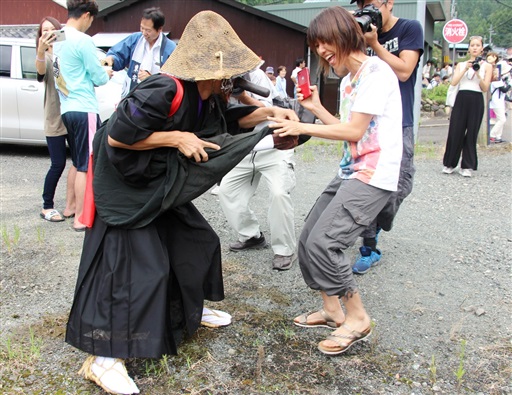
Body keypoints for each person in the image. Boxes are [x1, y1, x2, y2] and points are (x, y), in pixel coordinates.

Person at [65, 11, 299, 394]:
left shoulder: (207, 95)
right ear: (209, 69)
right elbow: (119, 137)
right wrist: (175, 139)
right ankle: (103, 359)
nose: (234, 83)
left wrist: (271, 113)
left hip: (156, 180)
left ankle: (188, 310)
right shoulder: (163, 88)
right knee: (141, 268)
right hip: (125, 185)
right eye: (230, 75)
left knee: (197, 240)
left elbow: (229, 120)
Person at [269, 6, 402, 356]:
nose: (322, 51)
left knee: (326, 243)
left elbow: (356, 130)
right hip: (351, 169)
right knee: (309, 237)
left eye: (325, 42)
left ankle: (357, 317)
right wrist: (313, 107)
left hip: (374, 175)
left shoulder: (377, 72)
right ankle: (331, 310)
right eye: (316, 46)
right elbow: (346, 129)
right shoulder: (348, 80)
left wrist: (300, 126)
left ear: (344, 34)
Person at [351, 0, 423, 274]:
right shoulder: (360, 31)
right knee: (367, 183)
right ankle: (369, 246)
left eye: (370, 4)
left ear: (389, 3)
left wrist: (375, 44)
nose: (366, 10)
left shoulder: (409, 28)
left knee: (401, 184)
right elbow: (345, 70)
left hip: (400, 120)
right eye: (361, 5)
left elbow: (405, 71)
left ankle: (376, 223)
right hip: (368, 120)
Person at [218, 68, 297, 271]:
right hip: (243, 147)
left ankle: (284, 250)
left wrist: (243, 96)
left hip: (273, 144)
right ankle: (251, 236)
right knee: (227, 190)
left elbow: (268, 109)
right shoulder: (217, 79)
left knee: (279, 193)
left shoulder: (257, 77)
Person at [53, 0, 112, 232]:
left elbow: (57, 70)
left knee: (76, 161)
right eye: (91, 20)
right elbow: (98, 77)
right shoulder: (84, 40)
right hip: (84, 106)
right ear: (86, 15)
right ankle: (80, 217)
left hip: (66, 107)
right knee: (86, 163)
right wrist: (106, 71)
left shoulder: (58, 38)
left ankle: (69, 207)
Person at [36, 16, 76, 223]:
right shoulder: (44, 57)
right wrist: (41, 51)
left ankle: (75, 204)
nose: (49, 33)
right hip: (55, 119)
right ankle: (47, 206)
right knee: (58, 164)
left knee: (80, 162)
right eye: (44, 31)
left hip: (74, 114)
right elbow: (40, 72)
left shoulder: (67, 53)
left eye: (53, 29)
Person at [442, 36, 492, 177]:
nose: (475, 47)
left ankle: (467, 166)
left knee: (471, 133)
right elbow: (454, 82)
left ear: (482, 48)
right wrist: (465, 69)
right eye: (472, 45)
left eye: (478, 45)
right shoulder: (461, 64)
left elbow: (484, 87)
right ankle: (450, 163)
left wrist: (477, 73)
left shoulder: (487, 66)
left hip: (476, 99)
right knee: (455, 130)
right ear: (468, 48)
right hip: (462, 98)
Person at [103, 7, 176, 98]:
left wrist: (151, 79)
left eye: (148, 30)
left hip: (156, 98)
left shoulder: (170, 48)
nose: (144, 33)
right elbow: (117, 54)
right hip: (132, 94)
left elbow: (173, 81)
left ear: (160, 29)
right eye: (142, 28)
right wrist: (111, 59)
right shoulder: (135, 39)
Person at [489, 60, 511, 143]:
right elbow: (504, 90)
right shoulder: (496, 80)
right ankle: (492, 134)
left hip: (499, 102)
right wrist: (510, 84)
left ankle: (498, 137)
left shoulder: (499, 79)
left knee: (500, 119)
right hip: (496, 102)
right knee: (502, 119)